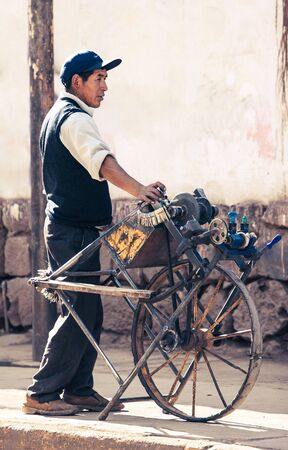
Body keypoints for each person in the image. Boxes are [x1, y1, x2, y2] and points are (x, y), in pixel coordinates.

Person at [23, 50, 165, 416]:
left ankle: (79, 388)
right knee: (77, 310)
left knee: (89, 308)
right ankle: (41, 394)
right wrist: (139, 190)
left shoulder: (59, 116)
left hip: (73, 228)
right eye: (98, 78)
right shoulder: (73, 119)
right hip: (70, 230)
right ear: (77, 82)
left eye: (106, 79)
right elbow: (102, 162)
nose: (105, 87)